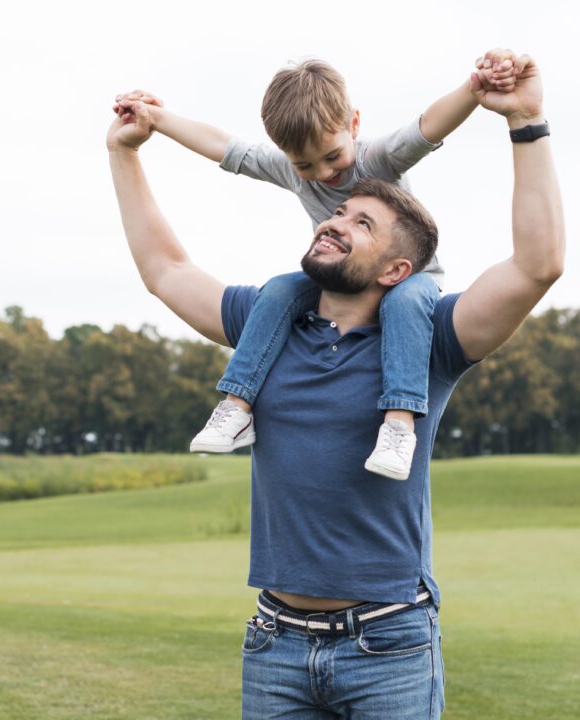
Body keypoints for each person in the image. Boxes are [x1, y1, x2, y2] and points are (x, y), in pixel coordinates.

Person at [107, 50, 562, 719]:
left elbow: (537, 265)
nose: (333, 217)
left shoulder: (431, 336)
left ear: (396, 269)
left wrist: (526, 122)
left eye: (362, 222)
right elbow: (164, 268)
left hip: (390, 645)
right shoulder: (269, 323)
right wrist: (126, 152)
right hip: (273, 643)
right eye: (337, 212)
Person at [113, 54, 520, 480]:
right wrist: (155, 118)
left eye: (331, 156)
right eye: (304, 165)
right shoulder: (293, 172)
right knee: (278, 290)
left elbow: (426, 127)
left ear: (354, 126)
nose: (322, 173)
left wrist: (473, 91)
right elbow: (225, 147)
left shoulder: (376, 160)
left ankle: (399, 424)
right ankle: (236, 406)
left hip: (410, 281)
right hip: (338, 279)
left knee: (402, 304)